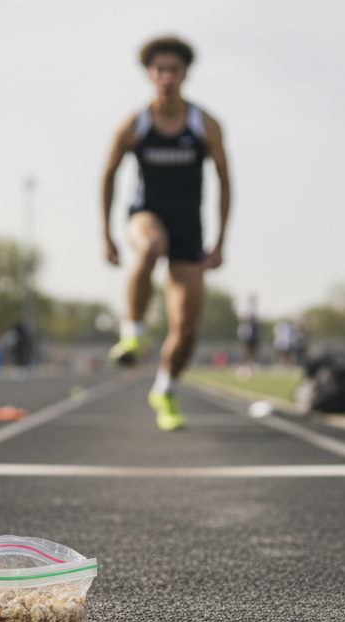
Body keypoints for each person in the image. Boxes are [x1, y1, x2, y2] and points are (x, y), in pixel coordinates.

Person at [101, 35, 232, 430]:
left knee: (188, 327)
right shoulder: (135, 124)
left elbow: (226, 183)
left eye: (174, 69)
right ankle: (133, 333)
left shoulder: (205, 125)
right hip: (146, 215)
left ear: (185, 74)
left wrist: (221, 241)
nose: (167, 77)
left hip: (189, 227)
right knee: (151, 246)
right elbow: (107, 175)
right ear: (150, 75)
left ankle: (165, 389)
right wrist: (106, 234)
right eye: (160, 70)